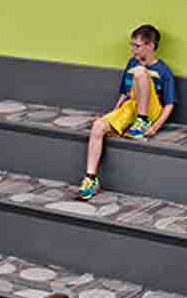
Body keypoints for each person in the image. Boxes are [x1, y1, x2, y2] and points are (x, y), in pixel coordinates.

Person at [74, 24, 176, 200]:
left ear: (150, 45)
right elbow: (125, 93)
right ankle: (91, 179)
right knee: (98, 126)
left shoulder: (163, 71)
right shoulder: (131, 63)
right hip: (131, 107)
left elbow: (169, 104)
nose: (133, 49)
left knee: (141, 72)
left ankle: (142, 120)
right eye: (132, 45)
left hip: (151, 110)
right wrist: (113, 114)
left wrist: (156, 127)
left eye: (137, 45)